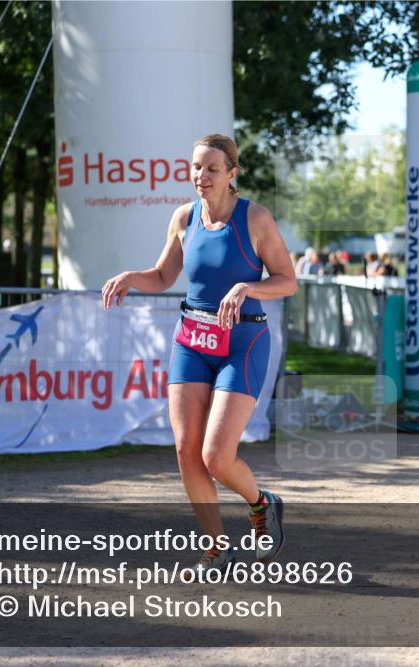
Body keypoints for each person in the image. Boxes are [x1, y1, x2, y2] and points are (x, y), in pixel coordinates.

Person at [101, 134, 294, 572]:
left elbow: (287, 280)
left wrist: (247, 287)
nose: (201, 176)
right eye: (195, 167)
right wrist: (132, 277)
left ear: (232, 173)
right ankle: (217, 547)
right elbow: (163, 276)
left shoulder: (255, 218)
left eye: (211, 168)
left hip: (242, 342)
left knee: (216, 456)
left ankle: (262, 504)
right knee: (186, 448)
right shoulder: (184, 217)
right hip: (192, 339)